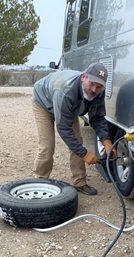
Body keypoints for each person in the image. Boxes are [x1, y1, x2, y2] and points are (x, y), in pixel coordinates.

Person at [32, 62, 116, 195]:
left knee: (77, 141)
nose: (94, 89)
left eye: (99, 86)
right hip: (43, 103)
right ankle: (39, 182)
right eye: (92, 83)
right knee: (47, 146)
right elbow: (64, 128)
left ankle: (79, 182)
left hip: (68, 108)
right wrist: (85, 154)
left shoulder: (99, 92)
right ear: (83, 77)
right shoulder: (65, 90)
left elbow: (97, 118)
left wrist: (106, 141)